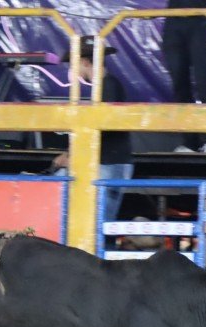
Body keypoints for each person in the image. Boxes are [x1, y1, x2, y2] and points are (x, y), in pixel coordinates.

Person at [52, 36, 133, 221]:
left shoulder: (109, 86)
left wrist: (73, 155)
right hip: (107, 162)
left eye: (74, 64)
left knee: (98, 221)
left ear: (85, 62)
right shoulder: (106, 87)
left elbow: (104, 130)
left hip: (109, 163)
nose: (72, 70)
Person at [162, 0, 206, 153]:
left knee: (204, 82)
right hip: (174, 19)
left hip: (202, 19)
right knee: (179, 83)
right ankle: (189, 142)